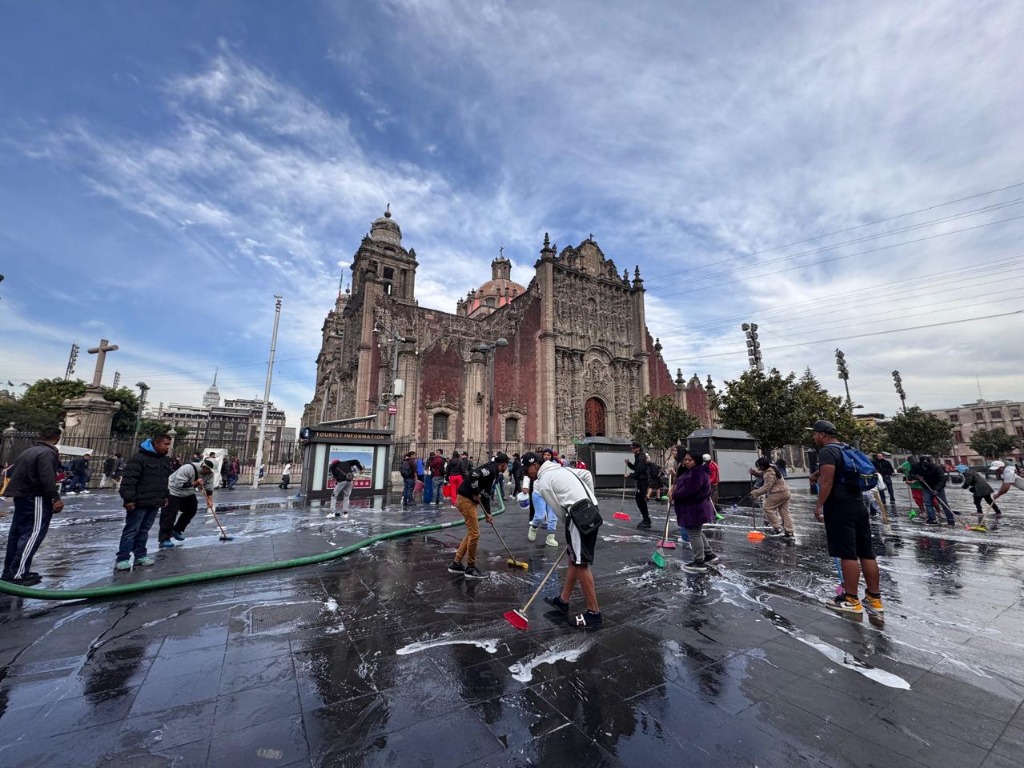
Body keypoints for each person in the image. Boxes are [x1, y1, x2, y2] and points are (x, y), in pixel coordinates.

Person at [808, 420, 883, 616]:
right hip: (858, 504)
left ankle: (851, 599)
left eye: (815, 434)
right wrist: (818, 471)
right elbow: (839, 471)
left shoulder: (826, 451)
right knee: (866, 552)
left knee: (847, 553)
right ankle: (874, 598)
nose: (814, 437)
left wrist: (819, 505)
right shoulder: (846, 449)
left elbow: (827, 480)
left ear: (823, 434)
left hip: (839, 506)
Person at [522, 451, 602, 628]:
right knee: (573, 557)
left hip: (578, 516)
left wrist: (571, 526)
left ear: (535, 466)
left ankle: (594, 613)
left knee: (580, 563)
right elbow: (587, 475)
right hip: (590, 509)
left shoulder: (543, 482)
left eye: (528, 470)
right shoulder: (562, 469)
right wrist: (591, 499)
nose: (527, 474)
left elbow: (557, 509)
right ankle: (563, 600)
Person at [1, 426, 64, 585]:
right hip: (35, 496)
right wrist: (55, 498)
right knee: (32, 534)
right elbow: (46, 477)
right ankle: (18, 573)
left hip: (22, 495)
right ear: (57, 438)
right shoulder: (48, 453)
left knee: (17, 534)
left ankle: (10, 571)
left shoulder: (29, 451)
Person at [447, 452, 509, 579]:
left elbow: (485, 494)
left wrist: (489, 514)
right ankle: (470, 567)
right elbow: (473, 474)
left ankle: (456, 563)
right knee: (475, 533)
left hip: (468, 500)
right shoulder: (491, 470)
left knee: (471, 532)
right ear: (504, 465)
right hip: (466, 500)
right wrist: (475, 491)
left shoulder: (493, 471)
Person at [116, 433, 173, 571]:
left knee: (144, 530)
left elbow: (164, 481)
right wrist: (128, 499)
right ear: (156, 443)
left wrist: (165, 496)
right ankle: (123, 558)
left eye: (169, 445)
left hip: (154, 501)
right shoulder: (139, 459)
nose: (168, 448)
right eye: (165, 444)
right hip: (139, 502)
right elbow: (129, 480)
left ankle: (140, 555)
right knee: (131, 530)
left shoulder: (164, 460)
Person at [672, 450, 718, 572]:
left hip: (694, 508)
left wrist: (675, 495)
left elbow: (689, 490)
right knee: (697, 531)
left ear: (696, 461)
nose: (686, 462)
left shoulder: (697, 473)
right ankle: (709, 554)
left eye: (689, 460)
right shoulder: (694, 471)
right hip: (694, 507)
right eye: (685, 459)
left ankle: (699, 561)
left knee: (694, 533)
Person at [159, 458, 216, 547]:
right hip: (173, 491)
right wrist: (196, 483)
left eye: (210, 471)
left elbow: (209, 487)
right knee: (169, 515)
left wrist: (209, 501)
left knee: (192, 509)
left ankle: (177, 529)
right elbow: (179, 484)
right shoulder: (188, 468)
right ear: (204, 466)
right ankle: (164, 538)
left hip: (188, 492)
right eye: (208, 470)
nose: (208, 473)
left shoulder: (210, 474)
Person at [750, 456, 794, 538]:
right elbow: (762, 473)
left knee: (767, 508)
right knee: (784, 512)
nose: (757, 468)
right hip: (786, 492)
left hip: (778, 493)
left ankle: (777, 527)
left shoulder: (768, 474)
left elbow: (766, 487)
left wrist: (755, 492)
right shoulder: (772, 468)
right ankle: (789, 530)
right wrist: (755, 473)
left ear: (762, 466)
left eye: (758, 466)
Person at [913, 457, 955, 526]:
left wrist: (936, 489)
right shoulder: (918, 467)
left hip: (938, 488)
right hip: (926, 488)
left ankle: (951, 521)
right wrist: (916, 477)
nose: (924, 465)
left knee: (944, 504)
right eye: (923, 463)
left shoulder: (937, 468)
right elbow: (911, 474)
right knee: (928, 503)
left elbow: (942, 480)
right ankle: (932, 519)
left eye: (926, 463)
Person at [625, 442, 652, 529]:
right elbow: (636, 468)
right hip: (641, 480)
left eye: (633, 448)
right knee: (639, 499)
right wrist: (629, 464)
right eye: (631, 448)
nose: (632, 449)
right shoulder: (638, 457)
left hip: (643, 481)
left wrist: (630, 475)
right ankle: (646, 519)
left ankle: (646, 520)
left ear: (638, 448)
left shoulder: (640, 457)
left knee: (641, 499)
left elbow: (639, 471)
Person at [527, 480, 559, 547]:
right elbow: (528, 472)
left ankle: (551, 536)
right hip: (538, 492)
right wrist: (525, 486)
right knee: (540, 516)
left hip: (552, 493)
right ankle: (533, 527)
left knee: (553, 515)